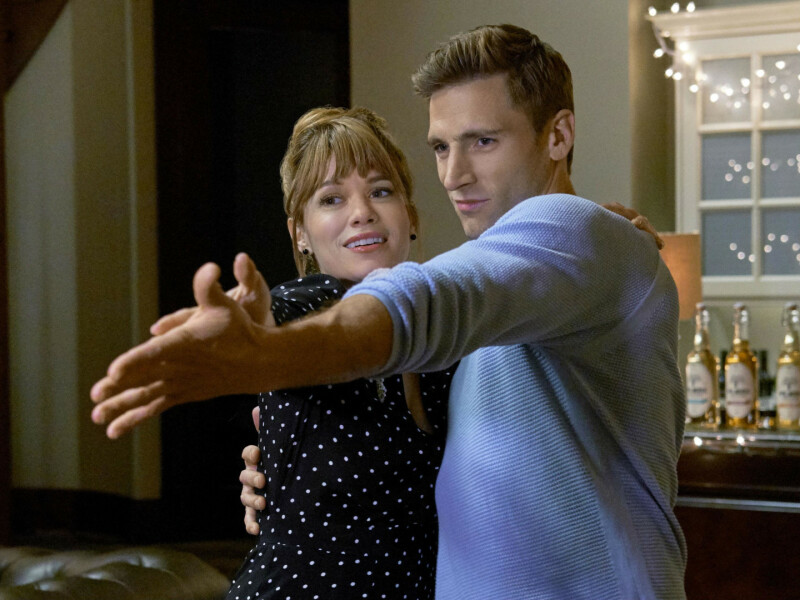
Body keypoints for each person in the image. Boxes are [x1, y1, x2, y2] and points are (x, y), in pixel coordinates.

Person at [92, 24, 686, 600]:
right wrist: (278, 459)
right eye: (440, 147)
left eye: (483, 141)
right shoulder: (517, 274)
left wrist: (263, 355)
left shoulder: (569, 232)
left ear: (558, 136)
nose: (453, 176)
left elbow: (421, 303)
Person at [159, 107, 454, 599]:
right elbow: (288, 315)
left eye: (381, 191)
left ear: (411, 217)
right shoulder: (313, 302)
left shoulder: (446, 325)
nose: (362, 212)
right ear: (300, 232)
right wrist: (255, 323)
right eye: (332, 199)